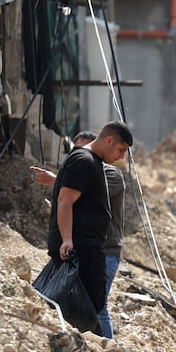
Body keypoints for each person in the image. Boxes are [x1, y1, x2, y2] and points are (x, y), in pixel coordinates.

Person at [31, 131, 125, 339]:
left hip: (106, 250)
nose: (79, 153)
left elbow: (87, 191)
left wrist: (56, 180)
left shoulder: (109, 174)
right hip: (83, 248)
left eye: (82, 148)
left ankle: (108, 350)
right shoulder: (84, 167)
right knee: (75, 303)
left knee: (97, 307)